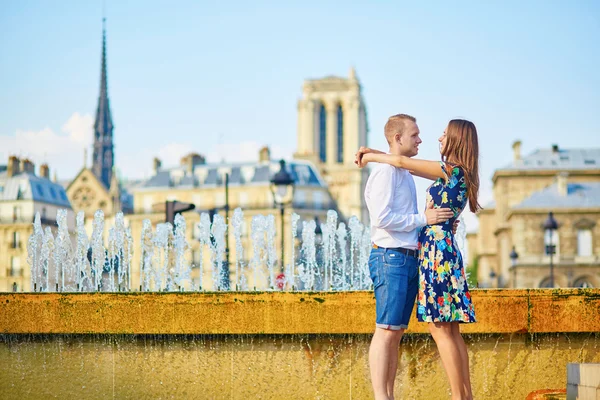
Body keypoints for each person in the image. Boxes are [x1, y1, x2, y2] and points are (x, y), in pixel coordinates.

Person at [357, 118, 480, 400]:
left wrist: (371, 155)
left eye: (445, 134)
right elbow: (399, 162)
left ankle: (459, 397)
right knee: (449, 329)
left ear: (457, 140)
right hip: (440, 248)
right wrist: (382, 153)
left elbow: (400, 163)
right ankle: (464, 396)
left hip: (436, 253)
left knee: (441, 329)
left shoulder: (449, 169)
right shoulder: (460, 172)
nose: (437, 139)